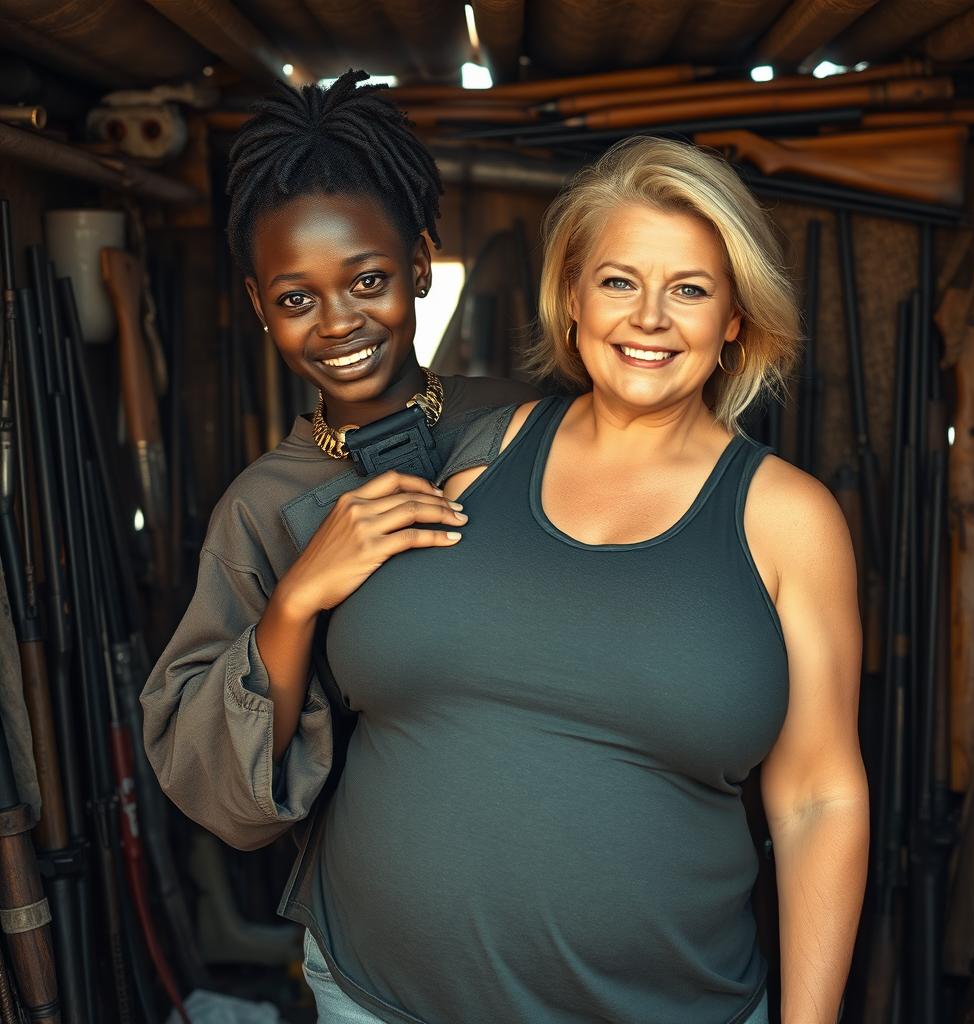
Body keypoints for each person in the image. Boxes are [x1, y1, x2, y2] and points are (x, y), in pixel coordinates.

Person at [291, 136, 866, 1023]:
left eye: (690, 289)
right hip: (373, 997)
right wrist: (298, 594)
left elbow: (820, 797)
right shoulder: (470, 455)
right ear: (571, 300)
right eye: (619, 281)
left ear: (735, 321)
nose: (649, 318)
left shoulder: (789, 520)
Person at [139, 67, 536, 1007]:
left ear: (422, 266)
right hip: (379, 957)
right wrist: (299, 599)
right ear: (255, 304)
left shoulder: (530, 422)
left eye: (367, 280)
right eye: (295, 298)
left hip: (560, 925)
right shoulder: (259, 507)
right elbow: (220, 786)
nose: (339, 324)